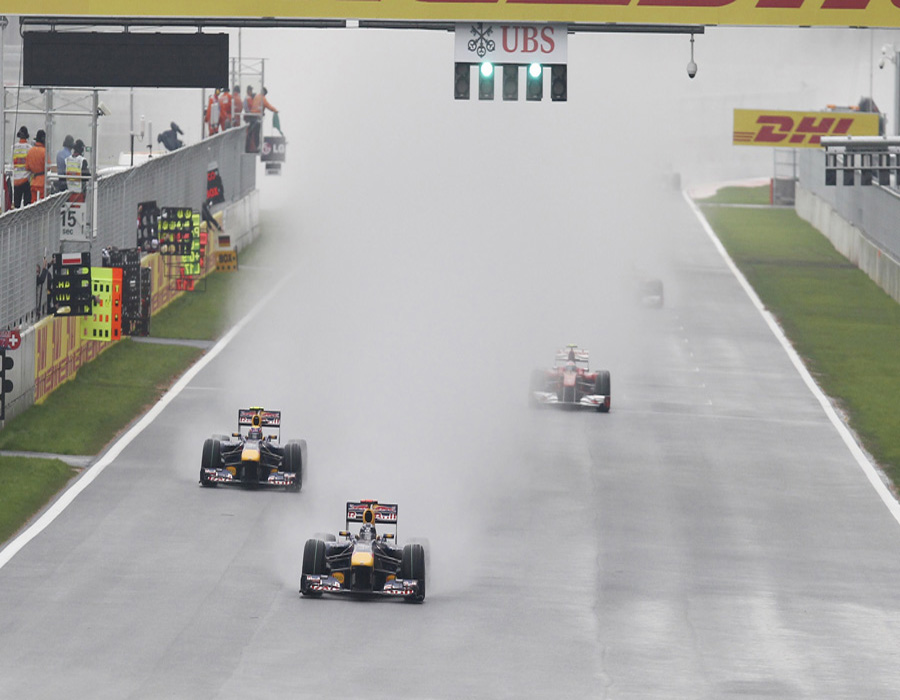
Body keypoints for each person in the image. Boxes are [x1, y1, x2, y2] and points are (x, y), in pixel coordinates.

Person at [11, 126, 31, 208]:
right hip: (26, 180)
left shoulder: (13, 148)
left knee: (16, 206)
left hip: (16, 180)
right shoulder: (29, 148)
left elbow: (12, 162)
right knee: (27, 206)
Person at [26, 130, 46, 202]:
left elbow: (27, 167)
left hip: (33, 181)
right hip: (42, 182)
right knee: (42, 204)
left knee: (33, 203)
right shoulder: (44, 152)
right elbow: (48, 166)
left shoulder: (30, 151)